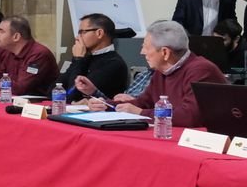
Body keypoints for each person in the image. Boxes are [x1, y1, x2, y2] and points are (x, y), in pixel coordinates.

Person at [82, 20, 225, 127]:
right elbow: (142, 102)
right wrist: (106, 105)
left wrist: (140, 113)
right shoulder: (162, 71)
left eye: (145, 47)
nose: (142, 52)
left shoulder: (201, 70)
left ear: (165, 52)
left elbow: (190, 116)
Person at [0, 15, 59, 97]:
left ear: (16, 37)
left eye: (1, 31)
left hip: (38, 106)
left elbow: (21, 87)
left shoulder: (38, 54)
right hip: (16, 100)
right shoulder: (10, 52)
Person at [56, 13, 129, 102]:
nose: (77, 38)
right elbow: (54, 91)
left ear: (99, 33)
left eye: (82, 32)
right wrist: (77, 60)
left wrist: (78, 59)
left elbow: (73, 96)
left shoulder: (113, 63)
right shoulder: (85, 58)